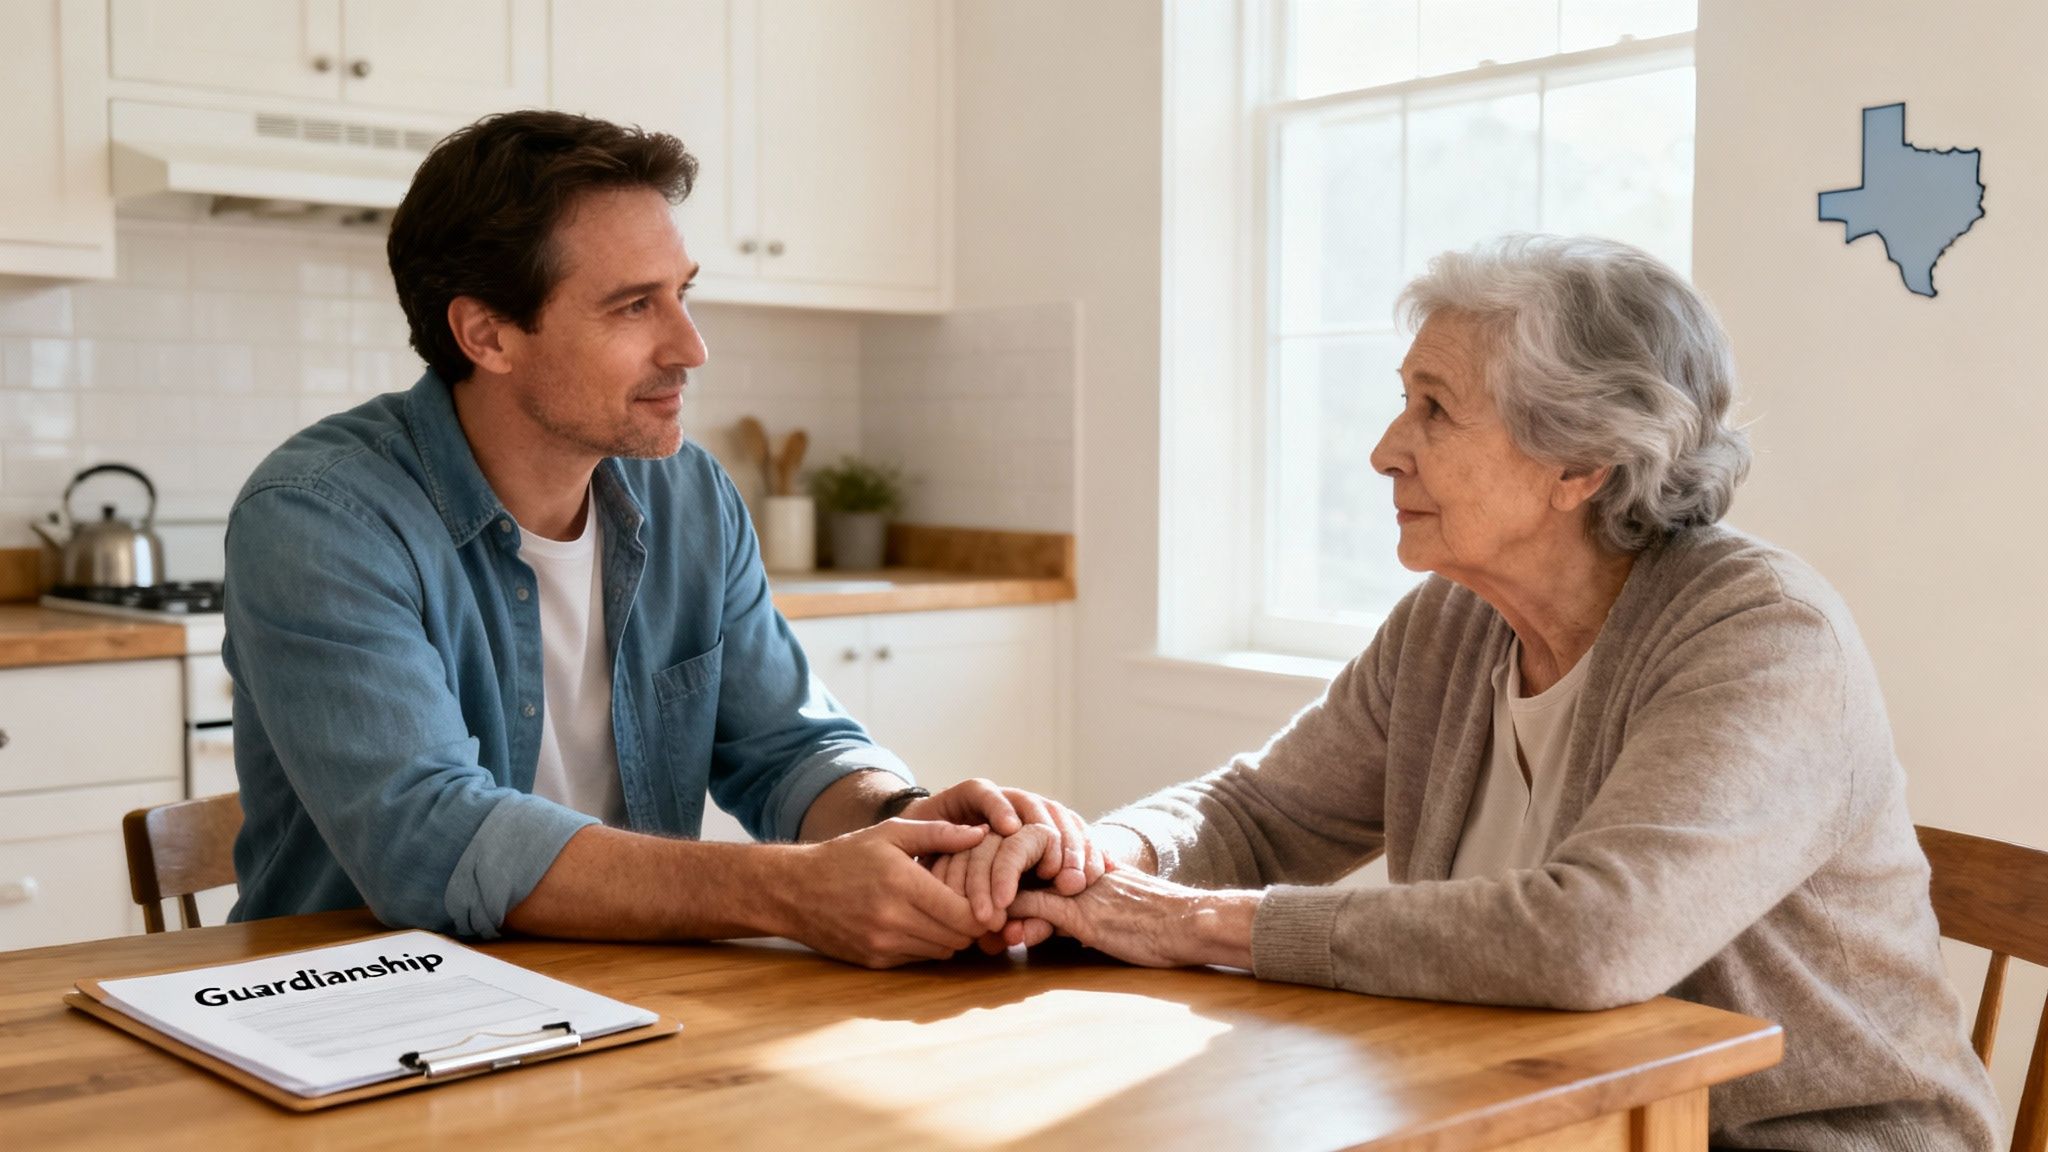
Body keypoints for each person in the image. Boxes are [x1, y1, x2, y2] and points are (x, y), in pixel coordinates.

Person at [972, 236, 2000, 1147]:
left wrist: (1187, 923)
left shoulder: (1764, 637)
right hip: (1532, 1109)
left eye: (1434, 409)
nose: (1384, 449)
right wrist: (1091, 860)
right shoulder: (1454, 620)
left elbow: (1594, 938)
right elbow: (1264, 810)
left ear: (1580, 463)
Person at [222, 110, 1102, 968]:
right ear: (487, 334)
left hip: (632, 997)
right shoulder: (319, 518)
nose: (691, 346)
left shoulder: (689, 495)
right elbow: (429, 839)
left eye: (681, 294)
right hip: (361, 1013)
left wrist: (912, 820)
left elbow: (787, 748)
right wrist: (790, 891)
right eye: (634, 306)